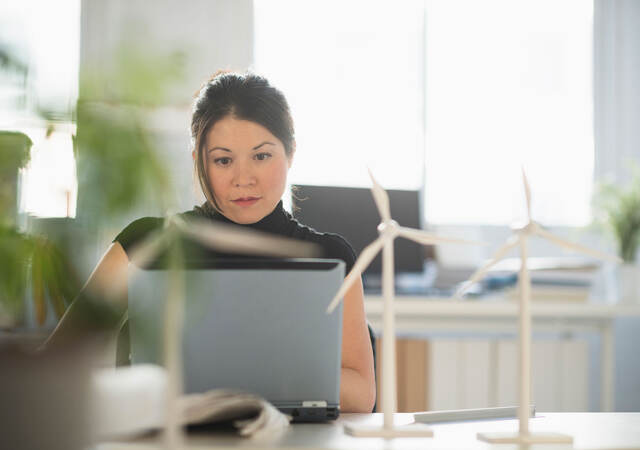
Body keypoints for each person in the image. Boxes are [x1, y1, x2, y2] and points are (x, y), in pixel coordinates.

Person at [49, 71, 376, 413]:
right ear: (198, 161)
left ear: (290, 153)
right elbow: (54, 368)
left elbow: (360, 395)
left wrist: (242, 368)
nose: (243, 178)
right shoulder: (145, 245)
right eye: (223, 160)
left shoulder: (329, 257)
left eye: (261, 156)